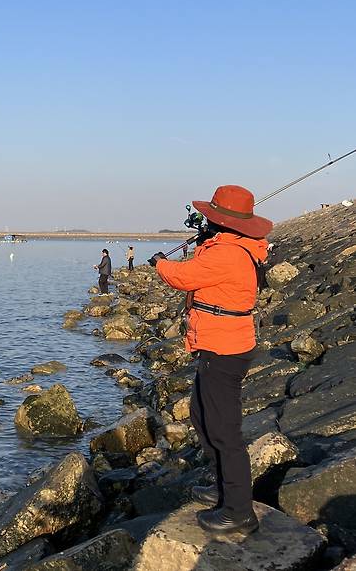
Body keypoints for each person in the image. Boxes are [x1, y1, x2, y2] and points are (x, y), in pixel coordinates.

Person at [148, 185, 271, 535]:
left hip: (224, 349)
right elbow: (204, 267)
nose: (206, 222)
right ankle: (223, 490)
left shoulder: (227, 253)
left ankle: (239, 511)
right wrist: (207, 239)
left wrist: (160, 263)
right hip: (218, 345)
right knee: (201, 416)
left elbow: (184, 277)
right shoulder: (231, 246)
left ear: (223, 221)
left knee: (223, 430)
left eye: (211, 218)